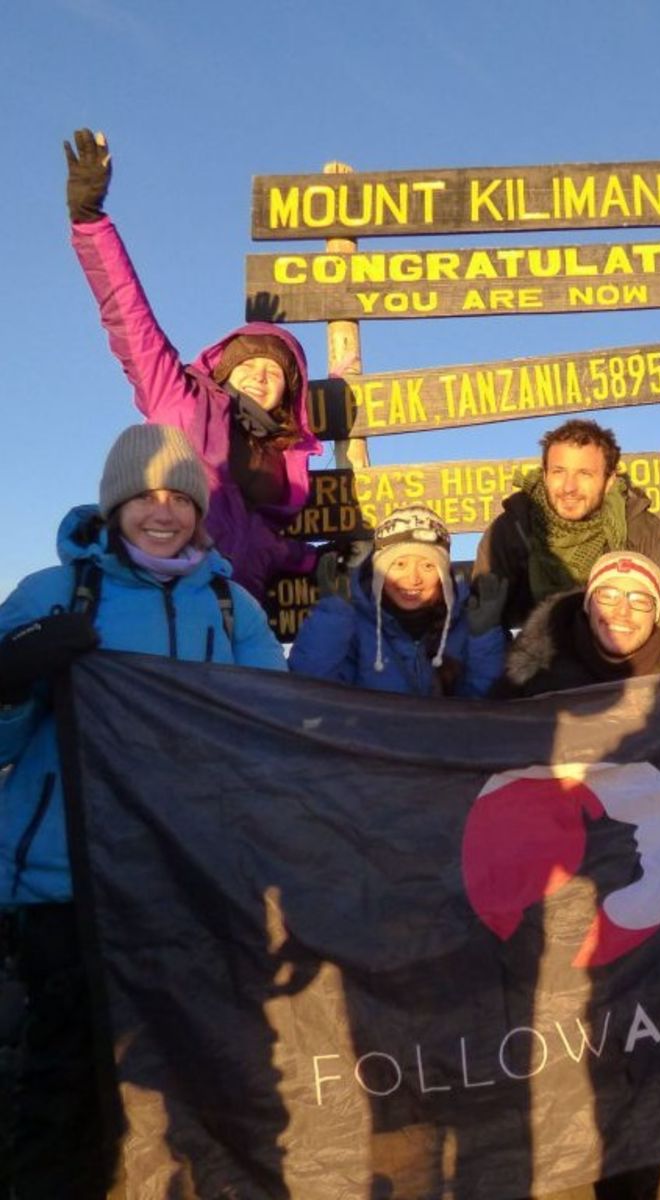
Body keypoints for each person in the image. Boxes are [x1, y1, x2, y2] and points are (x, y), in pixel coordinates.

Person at [0, 423, 286, 1198]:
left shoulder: (234, 609)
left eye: (179, 498)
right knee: (70, 1080)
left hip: (190, 875)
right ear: (116, 503)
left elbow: (275, 733)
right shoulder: (49, 594)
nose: (163, 512)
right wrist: (11, 681)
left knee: (195, 1070)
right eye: (145, 496)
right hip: (70, 879)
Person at [65, 128, 322, 603]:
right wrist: (90, 222)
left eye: (274, 371)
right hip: (157, 592)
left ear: (289, 391)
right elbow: (127, 314)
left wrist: (314, 560)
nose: (260, 375)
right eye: (248, 366)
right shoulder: (179, 396)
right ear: (225, 372)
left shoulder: (279, 453)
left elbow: (255, 538)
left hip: (231, 611)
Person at [473, 419, 660, 656]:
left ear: (609, 480)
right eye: (559, 471)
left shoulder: (638, 528)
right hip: (545, 673)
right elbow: (481, 622)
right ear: (545, 474)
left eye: (584, 473)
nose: (569, 487)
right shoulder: (514, 529)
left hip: (626, 672)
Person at [289, 503, 507, 697]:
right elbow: (309, 691)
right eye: (399, 565)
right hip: (364, 741)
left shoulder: (466, 622)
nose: (413, 579)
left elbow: (483, 707)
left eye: (428, 566)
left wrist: (484, 638)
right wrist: (332, 617)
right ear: (378, 572)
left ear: (444, 576)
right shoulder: (353, 624)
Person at [500, 550, 660, 697]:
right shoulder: (533, 680)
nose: (622, 611)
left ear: (656, 615)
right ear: (588, 605)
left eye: (639, 600)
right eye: (608, 596)